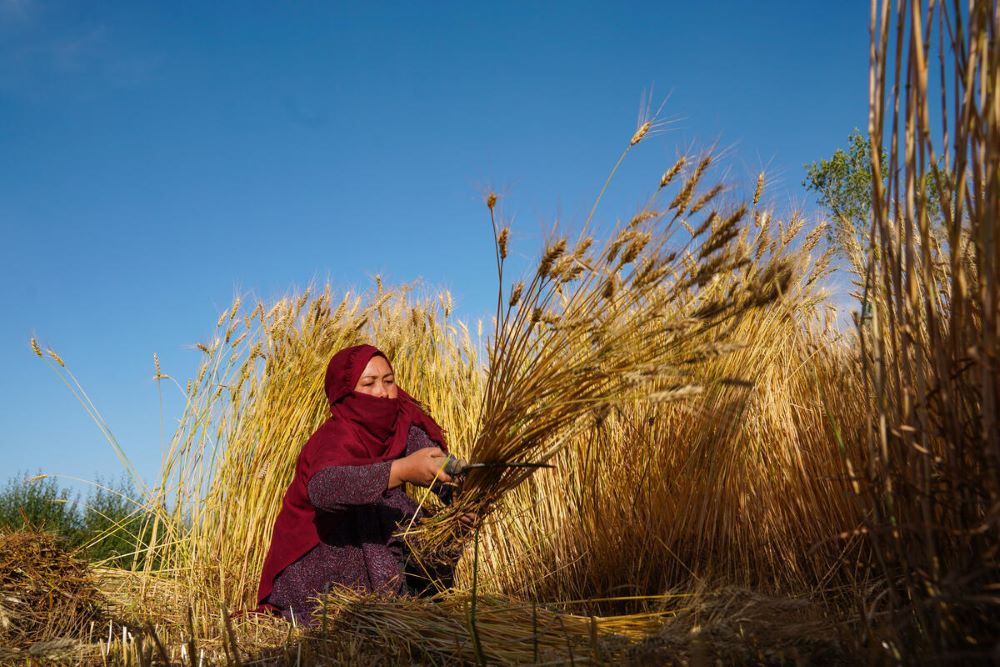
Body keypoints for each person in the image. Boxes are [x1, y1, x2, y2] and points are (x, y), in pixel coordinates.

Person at [256, 344, 457, 624]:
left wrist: (461, 495)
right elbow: (324, 489)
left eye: (389, 381)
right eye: (369, 383)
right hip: (321, 563)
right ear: (345, 392)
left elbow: (438, 466)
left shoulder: (401, 424)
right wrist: (400, 470)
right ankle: (377, 605)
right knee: (375, 506)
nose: (382, 392)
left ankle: (418, 600)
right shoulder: (334, 437)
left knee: (413, 520)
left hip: (375, 545)